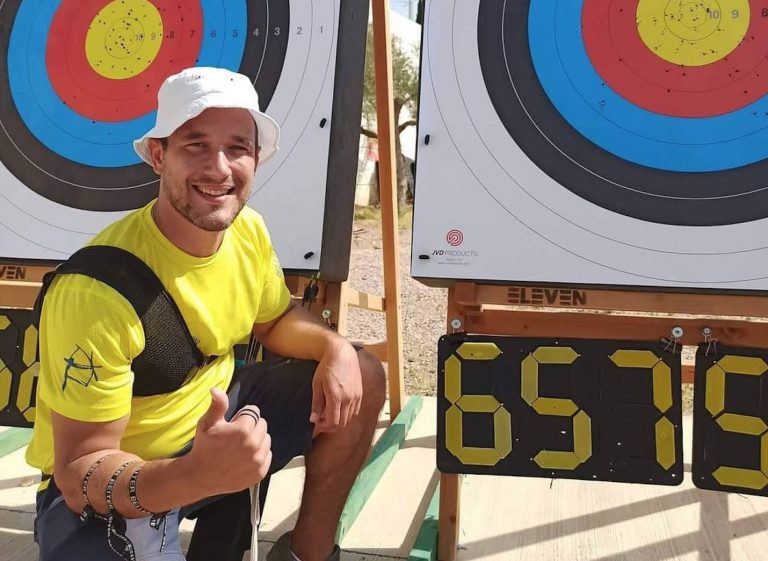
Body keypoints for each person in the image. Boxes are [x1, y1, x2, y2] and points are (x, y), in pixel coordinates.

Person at [26, 66, 386, 561]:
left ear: (256, 158)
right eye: (195, 145)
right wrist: (196, 474)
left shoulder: (247, 231)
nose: (219, 168)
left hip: (216, 428)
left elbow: (274, 320)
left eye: (238, 147)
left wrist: (335, 347)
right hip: (123, 477)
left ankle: (309, 554)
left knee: (362, 374)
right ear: (159, 156)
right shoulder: (96, 292)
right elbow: (77, 473)